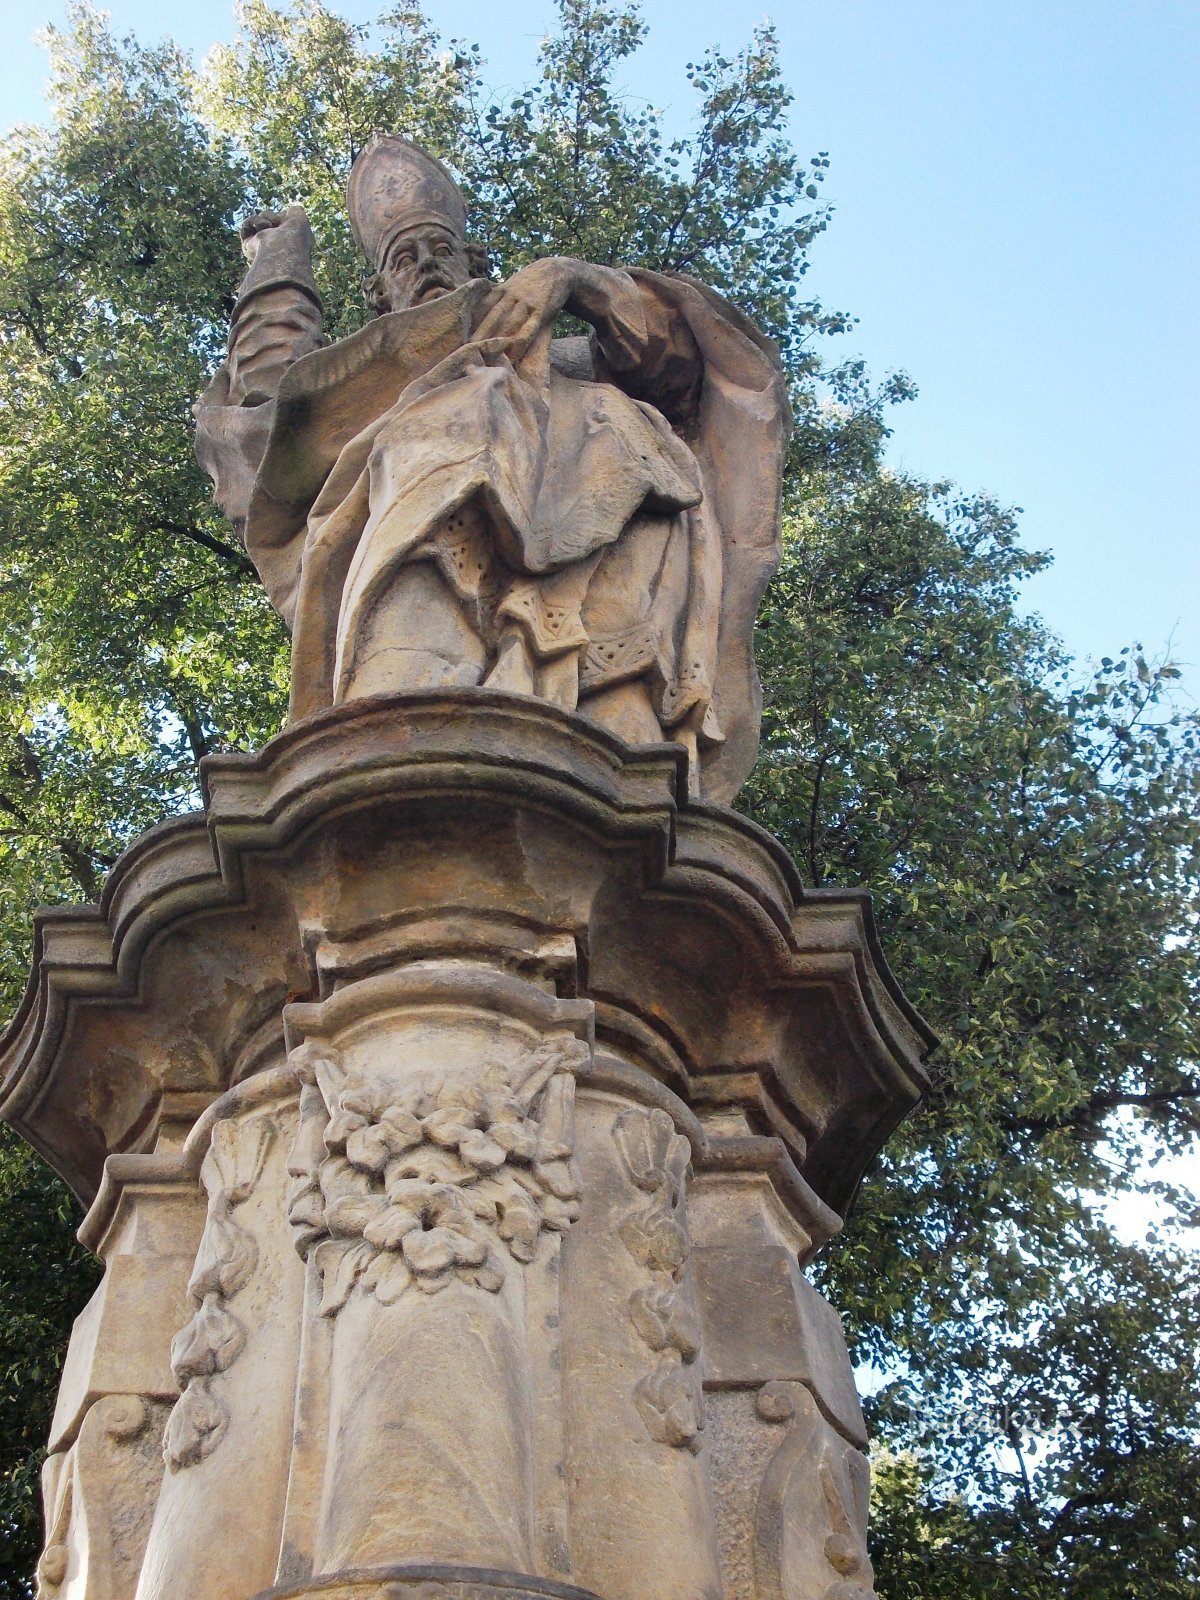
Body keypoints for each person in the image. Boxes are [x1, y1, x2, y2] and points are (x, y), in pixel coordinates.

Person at [195, 135, 789, 801]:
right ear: (379, 294)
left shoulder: (564, 362)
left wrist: (572, 278)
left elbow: (694, 366)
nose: (424, 266)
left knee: (628, 780)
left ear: (477, 262)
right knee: (396, 761)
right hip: (419, 575)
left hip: (602, 591)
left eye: (440, 251)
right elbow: (266, 422)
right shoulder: (372, 395)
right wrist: (280, 266)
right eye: (403, 259)